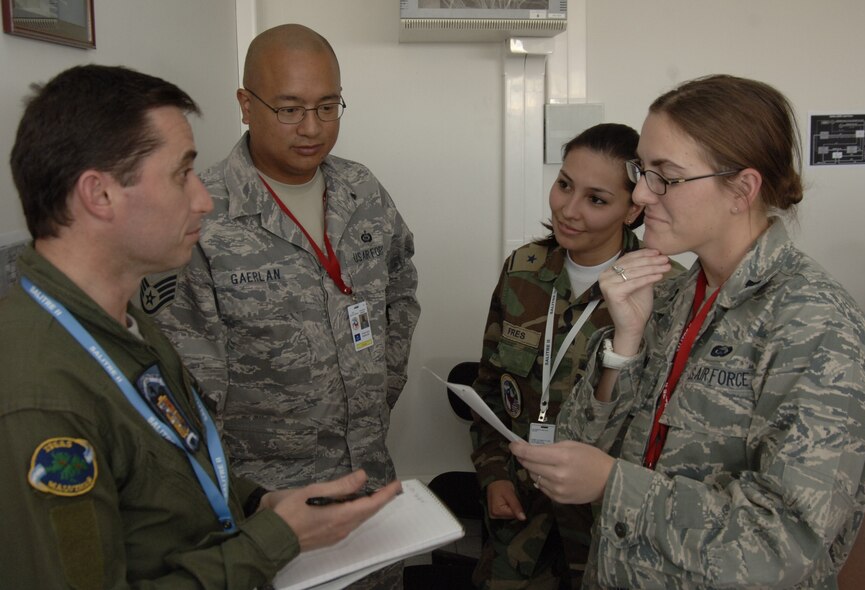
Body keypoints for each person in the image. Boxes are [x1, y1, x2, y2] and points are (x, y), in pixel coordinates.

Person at [0, 64, 401, 589]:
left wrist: (259, 501)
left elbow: (172, 469)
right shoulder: (40, 393)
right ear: (99, 195)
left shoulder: (124, 324)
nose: (204, 199)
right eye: (180, 175)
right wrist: (276, 538)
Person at [510, 74, 865, 589]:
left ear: (742, 189)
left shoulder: (820, 329)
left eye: (665, 176)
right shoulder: (668, 294)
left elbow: (786, 543)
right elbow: (575, 444)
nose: (641, 195)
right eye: (641, 171)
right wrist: (623, 346)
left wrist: (614, 485)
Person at [147, 23, 419, 496]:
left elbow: (400, 293)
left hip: (369, 473)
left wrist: (377, 390)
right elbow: (185, 384)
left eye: (328, 107)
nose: (312, 127)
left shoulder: (363, 191)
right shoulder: (202, 214)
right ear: (247, 106)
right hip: (267, 497)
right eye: (290, 109)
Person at [471, 124, 681, 589]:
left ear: (633, 210)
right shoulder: (523, 271)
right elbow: (489, 387)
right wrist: (493, 476)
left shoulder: (667, 292)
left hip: (608, 526)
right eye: (565, 184)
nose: (568, 209)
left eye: (597, 199)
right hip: (521, 516)